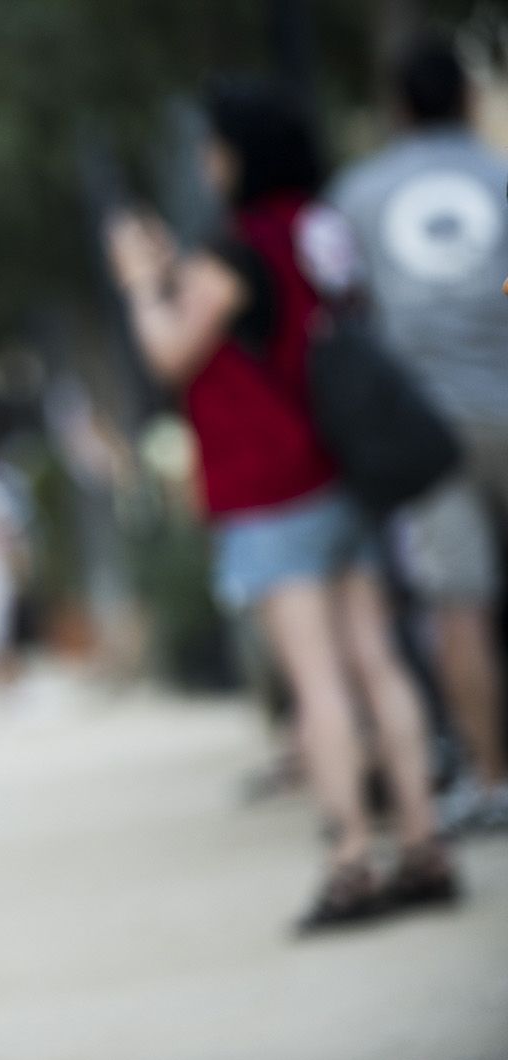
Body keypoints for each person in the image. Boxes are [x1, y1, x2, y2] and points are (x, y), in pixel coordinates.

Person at [105, 79, 457, 932]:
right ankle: (423, 841)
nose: (206, 163)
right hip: (342, 470)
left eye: (214, 148)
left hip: (271, 487)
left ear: (238, 154)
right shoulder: (320, 227)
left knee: (318, 681)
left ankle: (350, 862)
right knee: (377, 659)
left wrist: (141, 284)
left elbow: (170, 354)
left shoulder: (229, 252)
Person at [327, 32, 508, 832]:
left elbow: (342, 304)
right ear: (468, 100)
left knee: (457, 607)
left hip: (426, 430)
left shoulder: (359, 194)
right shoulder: (500, 181)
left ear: (397, 108)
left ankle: (492, 777)